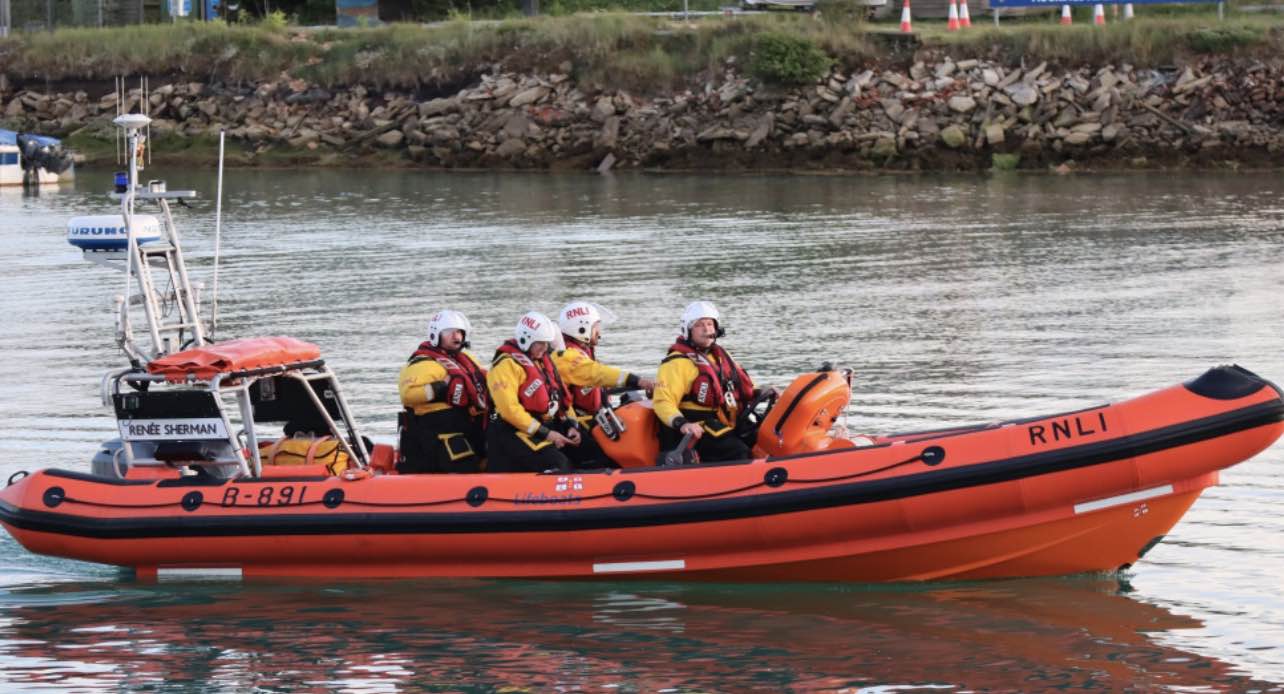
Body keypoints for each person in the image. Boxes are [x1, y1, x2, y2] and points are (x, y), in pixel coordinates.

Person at [653, 301, 773, 464]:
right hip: (698, 429)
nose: (707, 329)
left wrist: (763, 392)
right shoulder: (676, 363)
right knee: (738, 451)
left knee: (769, 438)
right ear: (688, 330)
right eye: (699, 325)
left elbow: (744, 385)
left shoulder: (721, 355)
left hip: (730, 420)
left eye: (710, 324)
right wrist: (682, 424)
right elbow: (662, 401)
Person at [553, 301, 656, 468]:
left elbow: (599, 383)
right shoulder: (567, 357)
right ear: (582, 328)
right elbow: (599, 373)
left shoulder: (582, 353)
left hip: (591, 418)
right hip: (575, 423)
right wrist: (639, 381)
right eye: (596, 327)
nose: (599, 332)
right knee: (601, 460)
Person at [486, 311, 583, 473]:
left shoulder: (542, 362)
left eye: (547, 343)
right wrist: (546, 434)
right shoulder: (505, 366)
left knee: (587, 447)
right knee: (558, 463)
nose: (545, 348)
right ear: (525, 339)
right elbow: (509, 410)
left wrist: (570, 425)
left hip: (541, 426)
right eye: (540, 343)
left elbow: (558, 398)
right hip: (511, 430)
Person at [397, 310, 488, 474]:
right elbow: (407, 395)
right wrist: (440, 387)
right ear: (436, 334)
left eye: (460, 332)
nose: (456, 336)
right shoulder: (422, 364)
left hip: (469, 426)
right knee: (465, 465)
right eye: (449, 332)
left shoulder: (467, 360)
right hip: (439, 433)